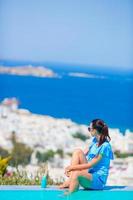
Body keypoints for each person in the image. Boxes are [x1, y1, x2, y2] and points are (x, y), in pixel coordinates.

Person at [59, 119, 114, 194]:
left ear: (95, 130)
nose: (89, 131)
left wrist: (71, 168)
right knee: (77, 151)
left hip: (98, 180)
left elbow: (90, 164)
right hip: (90, 173)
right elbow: (83, 152)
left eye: (89, 129)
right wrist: (71, 169)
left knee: (77, 173)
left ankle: (70, 195)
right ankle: (70, 181)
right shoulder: (95, 140)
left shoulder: (105, 146)